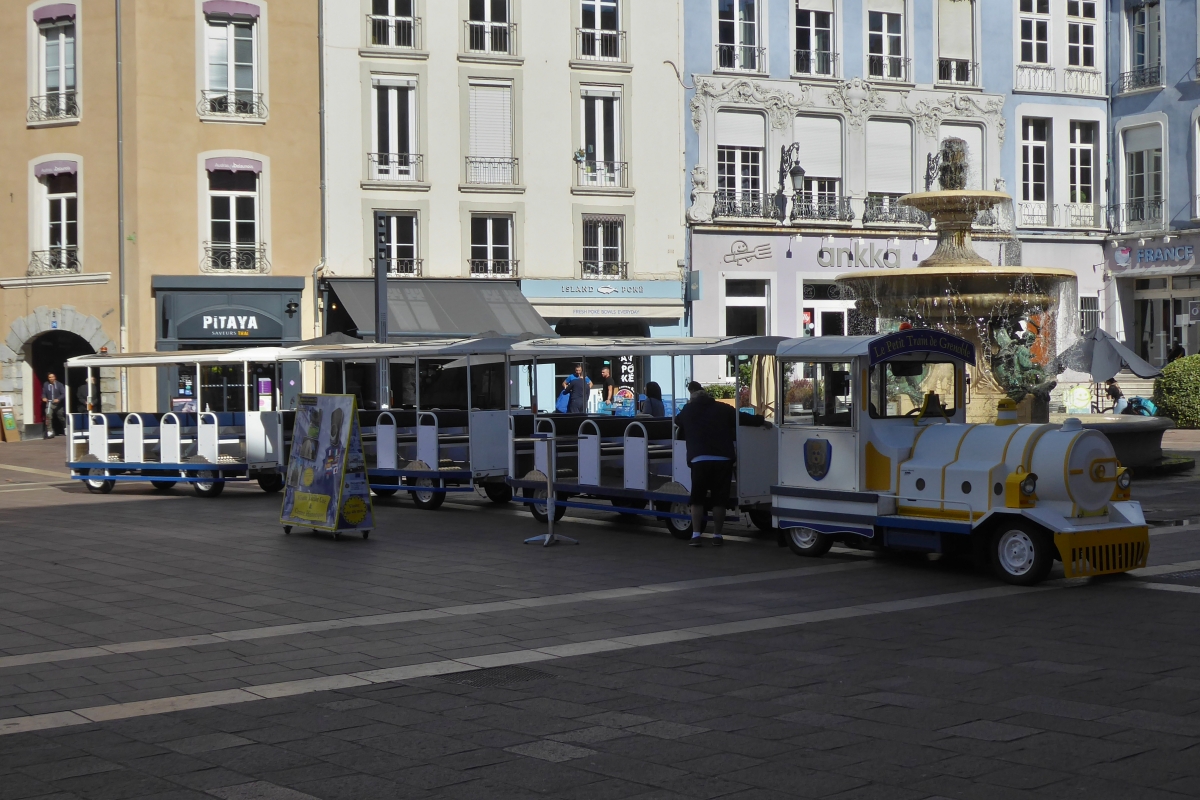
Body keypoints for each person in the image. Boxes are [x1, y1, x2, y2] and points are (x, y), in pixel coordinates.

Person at [675, 380, 768, 547]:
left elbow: (677, 421)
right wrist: (761, 420)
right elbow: (743, 418)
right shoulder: (723, 408)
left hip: (699, 459)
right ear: (709, 397)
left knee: (697, 499)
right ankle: (717, 535)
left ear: (693, 399)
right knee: (719, 500)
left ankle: (696, 535)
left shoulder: (688, 410)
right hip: (722, 459)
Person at [41, 372, 66, 438]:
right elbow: (43, 393)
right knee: (48, 415)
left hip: (58, 404)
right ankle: (50, 431)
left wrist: (58, 399)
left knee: (61, 417)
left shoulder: (59, 385)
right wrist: (44, 397)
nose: (51, 378)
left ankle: (65, 427)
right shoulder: (46, 384)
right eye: (50, 377)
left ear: (55, 377)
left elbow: (63, 394)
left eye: (52, 377)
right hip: (49, 403)